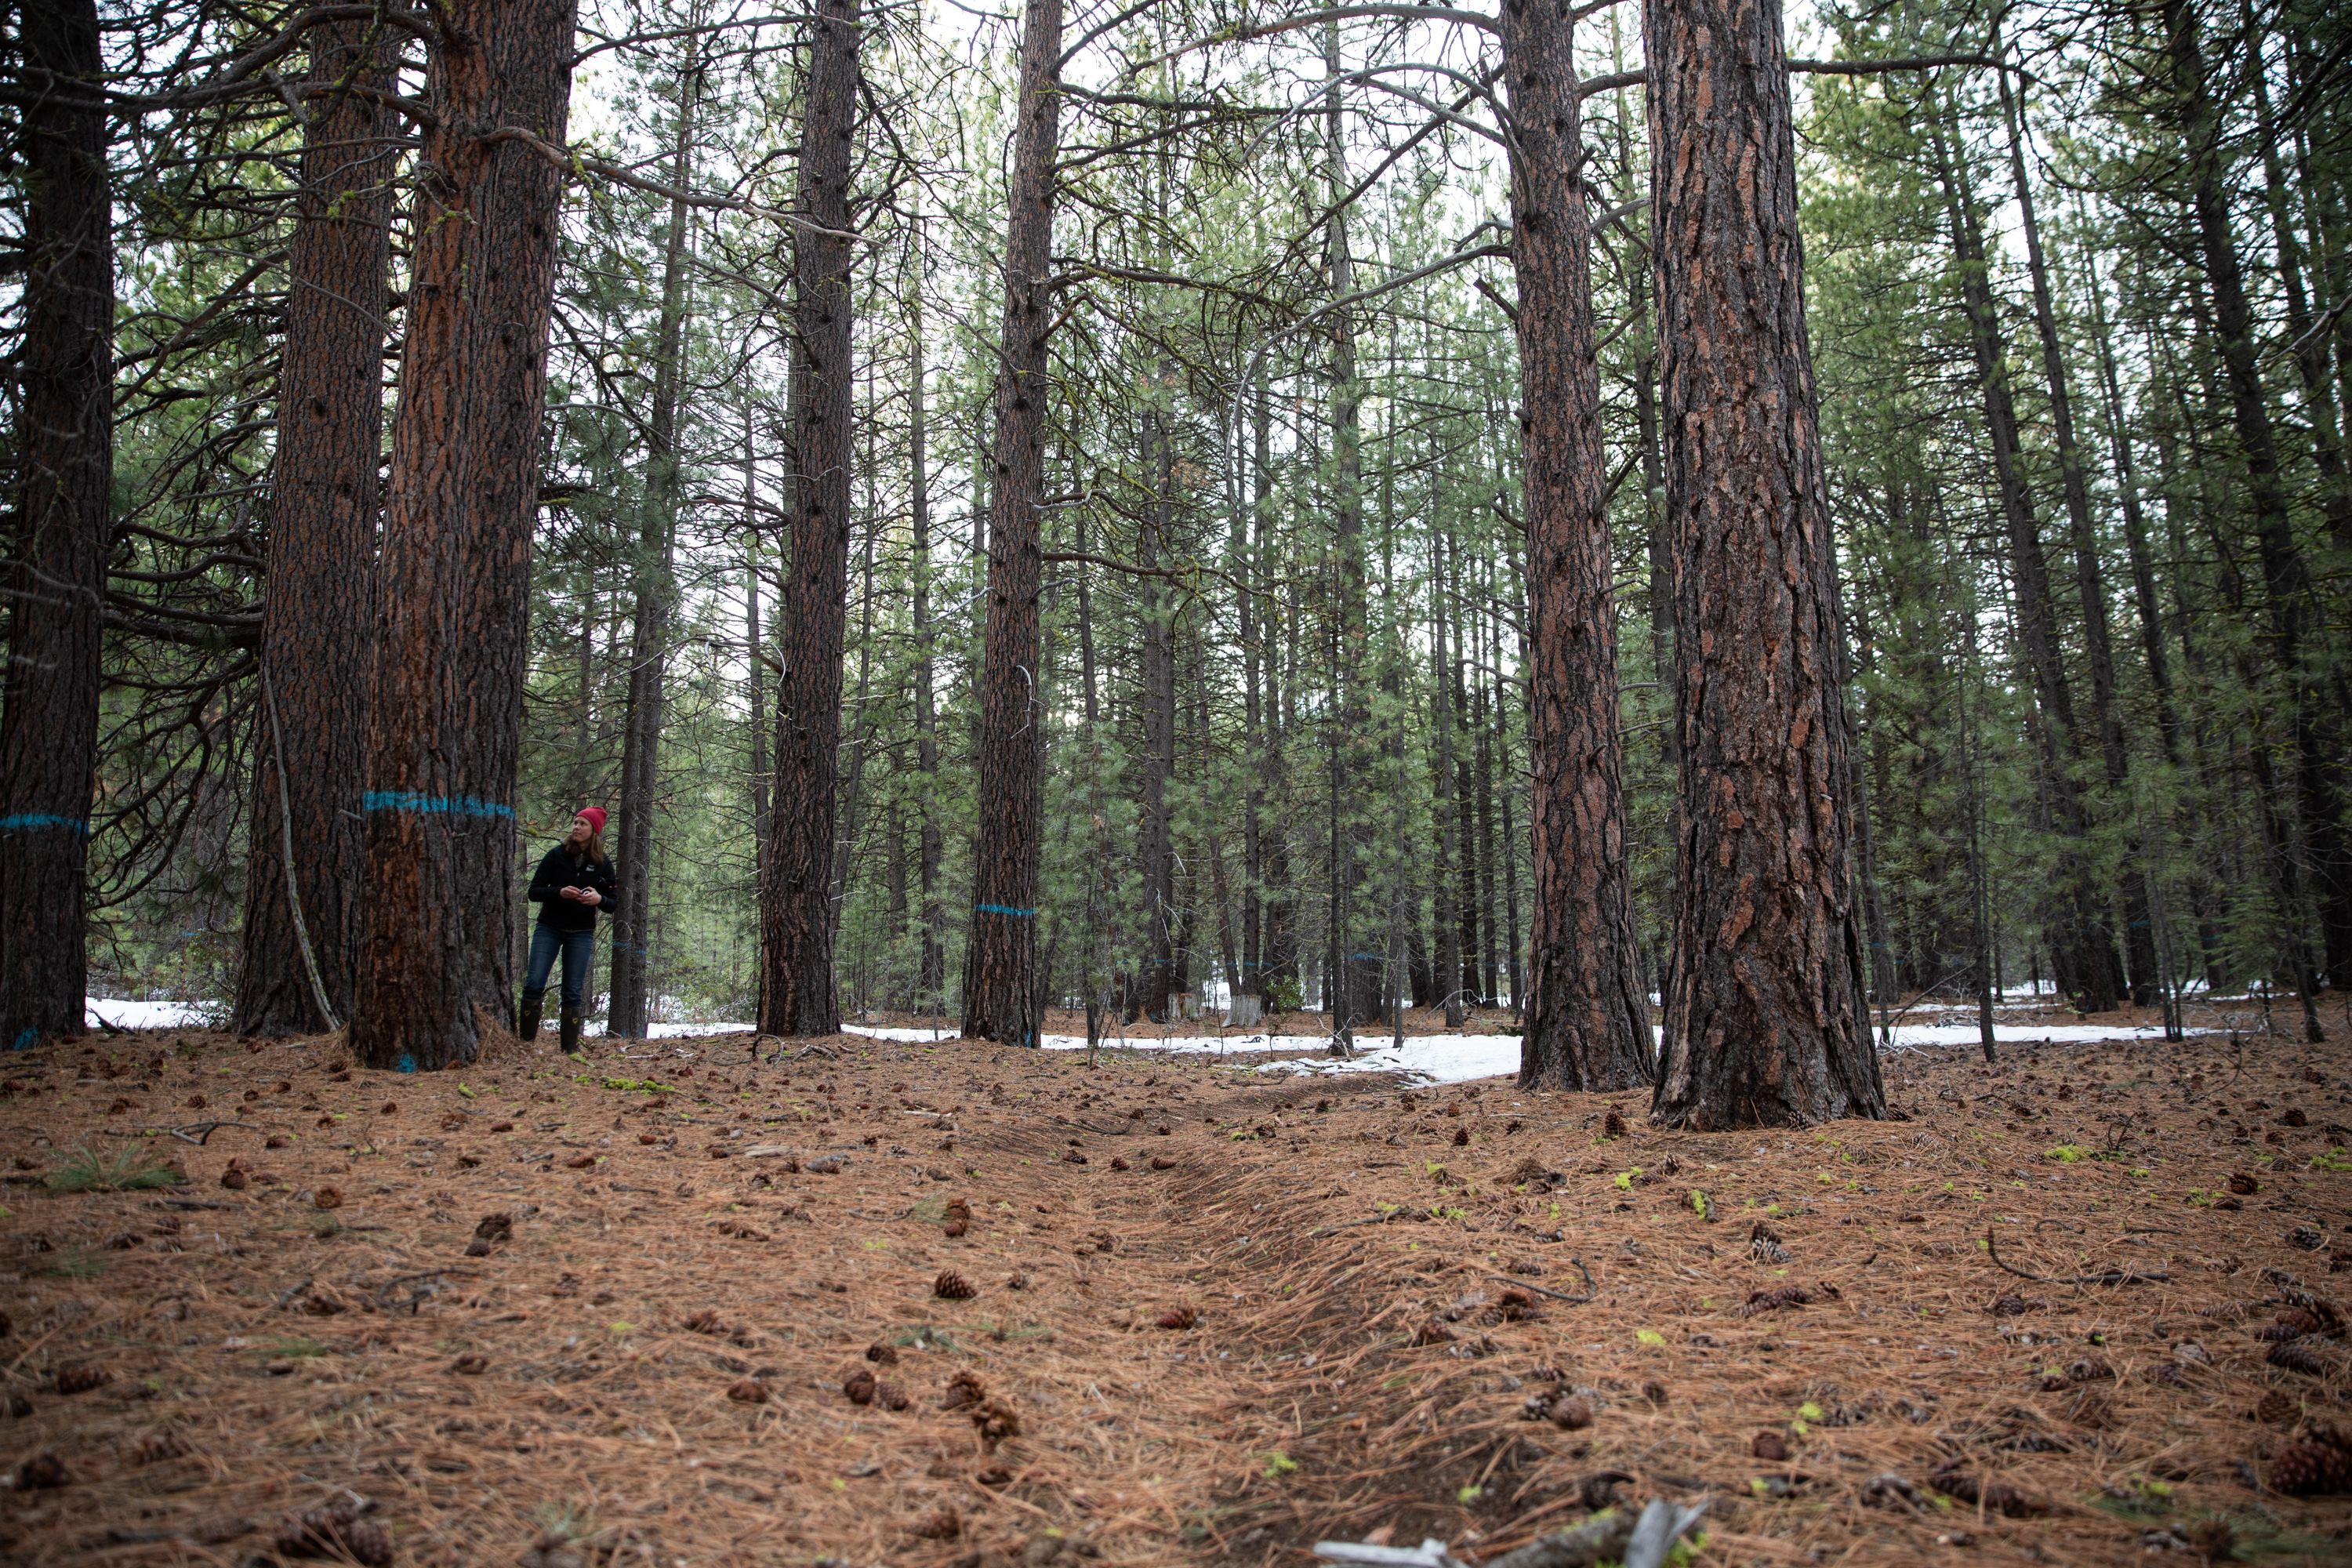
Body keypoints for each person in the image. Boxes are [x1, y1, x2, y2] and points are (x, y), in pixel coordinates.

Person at [521, 808, 618, 1054]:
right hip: (549, 928)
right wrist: (559, 892)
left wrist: (599, 899)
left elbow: (613, 903)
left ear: (593, 831)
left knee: (572, 991)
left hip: (581, 933)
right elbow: (534, 891)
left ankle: (569, 1050)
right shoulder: (556, 855)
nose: (576, 827)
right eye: (575, 823)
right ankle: (524, 1045)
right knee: (534, 983)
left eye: (582, 824)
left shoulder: (602, 864)